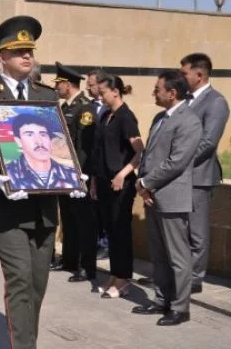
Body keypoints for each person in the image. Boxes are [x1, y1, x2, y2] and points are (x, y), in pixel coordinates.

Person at [0, 15, 60, 348]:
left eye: (29, 50)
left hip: (45, 206)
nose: (26, 56)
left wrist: (73, 174)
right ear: (2, 57)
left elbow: (60, 147)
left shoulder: (47, 96)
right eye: (17, 51)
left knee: (37, 284)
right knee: (20, 280)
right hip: (5, 206)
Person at [132, 70, 202, 326]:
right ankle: (161, 300)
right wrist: (145, 186)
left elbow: (176, 162)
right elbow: (151, 156)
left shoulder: (189, 121)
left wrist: (146, 183)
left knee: (177, 256)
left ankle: (180, 308)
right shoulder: (160, 117)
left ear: (172, 93)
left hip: (172, 198)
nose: (154, 92)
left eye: (157, 89)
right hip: (153, 196)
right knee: (159, 254)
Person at [179, 53, 229, 294]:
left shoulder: (216, 102)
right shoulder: (185, 100)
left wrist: (177, 163)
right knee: (179, 230)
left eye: (184, 73)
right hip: (180, 176)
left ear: (199, 75)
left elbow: (208, 142)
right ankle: (177, 274)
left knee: (197, 232)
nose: (181, 77)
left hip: (198, 175)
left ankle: (195, 278)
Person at [90, 74, 144, 298]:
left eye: (102, 92)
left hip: (120, 185)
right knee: (111, 231)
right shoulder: (106, 117)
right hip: (103, 183)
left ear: (115, 91)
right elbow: (98, 152)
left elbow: (139, 151)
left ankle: (123, 279)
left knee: (120, 232)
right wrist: (94, 181)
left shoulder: (126, 117)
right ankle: (115, 274)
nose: (100, 96)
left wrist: (122, 174)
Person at [53, 62, 98, 282]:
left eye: (58, 84)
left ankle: (86, 266)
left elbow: (84, 146)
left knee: (83, 222)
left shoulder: (84, 108)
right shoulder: (65, 107)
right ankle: (69, 260)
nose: (56, 88)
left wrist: (78, 174)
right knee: (68, 219)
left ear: (68, 85)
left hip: (77, 174)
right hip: (63, 172)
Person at [5, 113, 79, 190]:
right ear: (18, 141)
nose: (39, 141)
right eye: (29, 135)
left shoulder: (71, 174)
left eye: (43, 135)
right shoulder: (9, 174)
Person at [87, 69, 110, 261]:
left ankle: (105, 243)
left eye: (92, 84)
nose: (88, 87)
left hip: (107, 169)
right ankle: (96, 242)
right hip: (91, 166)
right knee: (93, 210)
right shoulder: (89, 106)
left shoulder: (111, 109)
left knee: (105, 211)